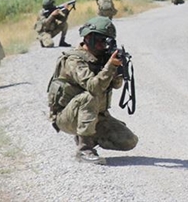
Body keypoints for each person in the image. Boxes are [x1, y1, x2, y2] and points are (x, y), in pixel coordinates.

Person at [46, 16, 138, 165]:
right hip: (66, 117)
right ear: (88, 37)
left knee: (129, 141)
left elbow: (116, 85)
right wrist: (109, 67)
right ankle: (84, 149)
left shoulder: (101, 58)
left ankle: (87, 135)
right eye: (101, 40)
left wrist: (117, 69)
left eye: (107, 41)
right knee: (91, 96)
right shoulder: (74, 60)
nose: (104, 45)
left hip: (94, 114)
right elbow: (94, 87)